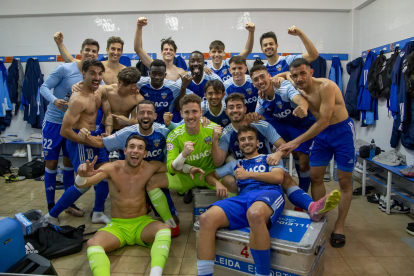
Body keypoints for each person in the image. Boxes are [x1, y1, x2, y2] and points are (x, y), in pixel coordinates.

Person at [197, 125, 341, 276]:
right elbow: (209, 175)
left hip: (268, 193)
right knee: (206, 218)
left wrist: (248, 175)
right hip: (244, 197)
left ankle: (262, 274)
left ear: (257, 142)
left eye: (250, 138)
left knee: (255, 213)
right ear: (239, 145)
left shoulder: (269, 158)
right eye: (242, 140)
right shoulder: (234, 164)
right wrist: (217, 183)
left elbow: (278, 177)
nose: (246, 142)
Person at [278, 58, 356, 248]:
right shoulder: (295, 81)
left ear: (311, 72)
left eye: (303, 73)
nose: (298, 78)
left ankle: (339, 225)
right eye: (295, 75)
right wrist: (276, 78)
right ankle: (319, 215)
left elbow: (324, 121)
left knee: (345, 180)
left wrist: (295, 142)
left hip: (341, 132)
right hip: (321, 136)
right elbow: (282, 75)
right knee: (315, 176)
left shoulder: (326, 86)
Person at [211, 92, 330, 214]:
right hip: (243, 170)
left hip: (267, 165)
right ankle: (239, 206)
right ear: (226, 111)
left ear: (245, 109)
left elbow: (284, 146)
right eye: (231, 107)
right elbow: (218, 161)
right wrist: (215, 139)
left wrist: (278, 154)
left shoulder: (261, 124)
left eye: (238, 106)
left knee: (285, 177)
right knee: (228, 179)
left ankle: (311, 206)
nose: (235, 110)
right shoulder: (226, 133)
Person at [78, 100, 181, 237]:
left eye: (149, 113)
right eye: (142, 113)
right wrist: (85, 137)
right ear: (136, 115)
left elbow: (183, 132)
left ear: (155, 116)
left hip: (154, 177)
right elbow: (102, 143)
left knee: (173, 225)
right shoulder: (125, 133)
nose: (145, 116)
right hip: (131, 180)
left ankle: (157, 207)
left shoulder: (163, 131)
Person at [77, 135, 171, 276]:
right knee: (92, 244)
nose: (135, 151)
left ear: (145, 154)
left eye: (140, 148)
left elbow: (174, 168)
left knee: (165, 229)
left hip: (141, 224)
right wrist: (81, 175)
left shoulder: (150, 167)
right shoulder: (112, 168)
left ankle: (155, 274)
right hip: (118, 227)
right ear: (125, 150)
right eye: (132, 146)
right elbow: (82, 184)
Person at [44, 60, 111, 225]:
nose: (97, 77)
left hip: (95, 136)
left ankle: (97, 212)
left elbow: (112, 98)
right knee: (85, 183)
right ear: (84, 74)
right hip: (80, 141)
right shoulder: (77, 99)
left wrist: (106, 134)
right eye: (92, 73)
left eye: (100, 73)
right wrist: (87, 141)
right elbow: (64, 131)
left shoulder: (99, 91)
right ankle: (52, 214)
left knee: (104, 175)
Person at [40, 38, 100, 216]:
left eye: (94, 51)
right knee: (51, 164)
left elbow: (104, 90)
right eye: (87, 50)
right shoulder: (65, 68)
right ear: (81, 51)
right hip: (53, 123)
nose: (90, 53)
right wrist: (54, 100)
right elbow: (44, 87)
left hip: (73, 127)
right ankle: (51, 206)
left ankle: (69, 205)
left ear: (97, 54)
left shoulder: (94, 74)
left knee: (68, 165)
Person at [145, 94, 230, 210]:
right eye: (186, 112)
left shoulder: (213, 129)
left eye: (194, 111)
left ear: (201, 112)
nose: (191, 116)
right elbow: (171, 168)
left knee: (232, 185)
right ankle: (171, 222)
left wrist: (215, 139)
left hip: (210, 174)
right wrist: (183, 154)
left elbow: (220, 161)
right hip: (185, 176)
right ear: (181, 114)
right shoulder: (174, 135)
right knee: (152, 182)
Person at [250, 65, 315, 209]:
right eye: (256, 79)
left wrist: (303, 107)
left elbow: (300, 100)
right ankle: (269, 166)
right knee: (257, 124)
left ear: (269, 76)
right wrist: (253, 116)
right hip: (283, 125)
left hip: (301, 125)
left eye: (262, 76)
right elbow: (257, 116)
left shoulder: (282, 87)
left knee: (303, 161)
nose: (260, 81)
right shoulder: (261, 98)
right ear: (253, 83)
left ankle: (303, 194)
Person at [54, 32, 126, 85]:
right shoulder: (97, 67)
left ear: (122, 51)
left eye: (118, 49)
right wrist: (60, 44)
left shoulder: (125, 70)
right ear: (107, 50)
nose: (116, 52)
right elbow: (71, 60)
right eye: (113, 49)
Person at [137, 59, 193, 124]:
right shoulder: (139, 83)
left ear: (165, 75)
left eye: (160, 74)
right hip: (144, 124)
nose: (157, 77)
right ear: (149, 74)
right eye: (154, 74)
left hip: (165, 127)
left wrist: (183, 87)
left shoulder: (174, 87)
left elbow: (178, 107)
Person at [134, 17, 187, 82]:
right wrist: (139, 27)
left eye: (171, 50)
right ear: (161, 52)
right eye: (166, 49)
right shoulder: (153, 65)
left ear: (175, 53)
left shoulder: (180, 71)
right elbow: (138, 49)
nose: (168, 51)